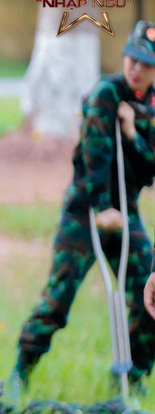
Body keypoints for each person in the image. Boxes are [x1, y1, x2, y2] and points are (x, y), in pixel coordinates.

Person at [12, 20, 155, 395]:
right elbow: (95, 156)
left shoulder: (150, 107)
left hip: (126, 213)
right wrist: (101, 206)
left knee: (150, 297)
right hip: (85, 211)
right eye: (132, 59)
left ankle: (133, 379)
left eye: (147, 64)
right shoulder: (105, 94)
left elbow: (150, 168)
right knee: (57, 301)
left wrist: (131, 133)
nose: (136, 69)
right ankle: (20, 371)